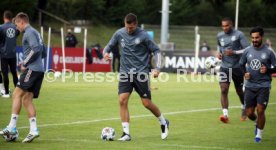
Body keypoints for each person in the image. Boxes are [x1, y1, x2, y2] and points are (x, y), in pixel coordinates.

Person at [103, 13, 169, 141]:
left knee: (146, 103)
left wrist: (157, 68)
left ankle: (163, 122)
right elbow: (109, 46)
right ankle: (126, 134)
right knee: (122, 100)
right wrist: (105, 53)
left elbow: (156, 51)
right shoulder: (119, 33)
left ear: (136, 24)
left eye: (131, 28)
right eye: (127, 27)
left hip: (141, 73)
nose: (128, 30)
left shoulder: (144, 36)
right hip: (125, 72)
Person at [0, 12, 45, 143]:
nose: (16, 28)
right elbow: (43, 51)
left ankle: (12, 127)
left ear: (21, 22)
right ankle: (33, 130)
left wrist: (26, 63)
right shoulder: (36, 32)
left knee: (16, 94)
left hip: (32, 69)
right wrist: (34, 63)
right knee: (27, 99)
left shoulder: (29, 32)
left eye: (16, 25)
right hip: (39, 70)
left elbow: (35, 49)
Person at [239, 26, 276, 143]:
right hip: (250, 86)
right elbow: (240, 65)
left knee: (260, 110)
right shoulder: (247, 51)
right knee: (249, 113)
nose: (254, 40)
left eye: (257, 37)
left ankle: (259, 135)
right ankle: (257, 122)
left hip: (264, 85)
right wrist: (245, 73)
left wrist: (268, 70)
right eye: (253, 38)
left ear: (262, 37)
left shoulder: (269, 52)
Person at [216, 17, 250, 123]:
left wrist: (234, 52)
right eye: (223, 26)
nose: (225, 28)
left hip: (237, 67)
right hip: (224, 67)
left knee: (239, 91)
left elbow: (247, 48)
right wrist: (219, 53)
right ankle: (225, 115)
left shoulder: (239, 34)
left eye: (227, 25)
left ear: (231, 25)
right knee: (223, 89)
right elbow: (219, 46)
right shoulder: (220, 35)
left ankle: (244, 107)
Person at [0, 10, 19, 98]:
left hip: (3, 54)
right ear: (11, 18)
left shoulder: (1, 27)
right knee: (14, 73)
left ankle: (7, 92)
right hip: (13, 54)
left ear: (4, 18)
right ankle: (17, 92)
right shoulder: (15, 28)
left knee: (5, 74)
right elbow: (17, 34)